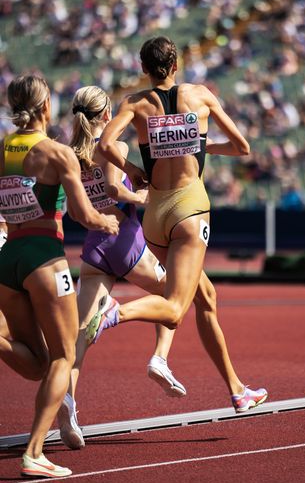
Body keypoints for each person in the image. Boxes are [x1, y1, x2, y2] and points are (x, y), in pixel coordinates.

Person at [89, 35, 267, 414]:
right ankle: (114, 312)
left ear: (143, 69)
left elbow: (104, 144)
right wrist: (202, 147)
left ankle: (237, 389)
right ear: (175, 66)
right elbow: (242, 147)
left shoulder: (135, 103)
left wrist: (133, 169)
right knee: (174, 309)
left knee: (206, 297)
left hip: (156, 214)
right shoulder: (200, 95)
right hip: (189, 209)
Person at [0, 75, 118, 478]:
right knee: (65, 357)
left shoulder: (2, 148)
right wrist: (108, 222)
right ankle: (34, 452)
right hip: (45, 260)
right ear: (46, 105)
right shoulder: (56, 154)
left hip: (8, 258)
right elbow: (85, 215)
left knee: (37, 365)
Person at [58, 85, 186, 450]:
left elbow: (71, 208)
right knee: (174, 296)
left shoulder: (69, 154)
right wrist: (143, 197)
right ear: (106, 116)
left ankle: (68, 404)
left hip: (94, 247)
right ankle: (160, 358)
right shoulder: (116, 148)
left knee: (81, 333)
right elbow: (114, 189)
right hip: (125, 240)